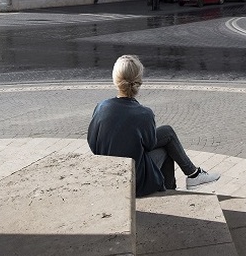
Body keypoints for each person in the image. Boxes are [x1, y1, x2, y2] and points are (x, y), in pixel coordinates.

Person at [87, 55, 220, 197]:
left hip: (108, 175)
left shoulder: (101, 107)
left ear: (115, 79)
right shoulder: (144, 113)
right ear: (139, 82)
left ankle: (190, 178)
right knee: (168, 146)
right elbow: (149, 145)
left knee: (167, 135)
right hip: (134, 180)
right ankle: (181, 185)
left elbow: (92, 143)